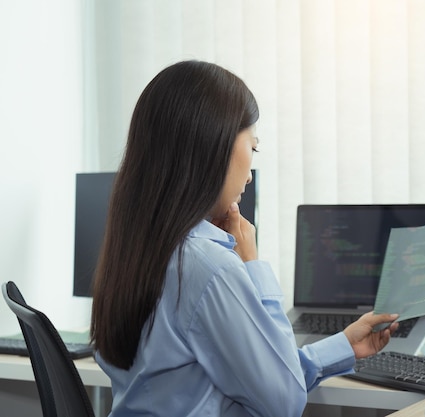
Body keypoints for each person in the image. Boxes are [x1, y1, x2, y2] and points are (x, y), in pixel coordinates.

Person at [90, 60, 399, 417]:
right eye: (252, 148)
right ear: (212, 147)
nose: (250, 176)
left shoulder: (140, 250)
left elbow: (263, 377)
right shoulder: (208, 267)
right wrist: (252, 263)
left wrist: (343, 346)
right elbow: (284, 400)